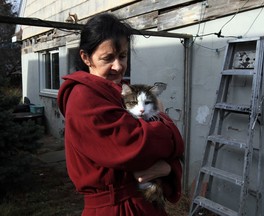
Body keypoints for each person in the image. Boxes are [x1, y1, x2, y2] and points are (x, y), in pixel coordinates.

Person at [57, 13, 184, 216]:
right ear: (86, 57)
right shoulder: (84, 97)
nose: (118, 66)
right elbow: (139, 146)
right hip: (117, 208)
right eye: (108, 58)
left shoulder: (113, 91)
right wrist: (164, 119)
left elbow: (158, 150)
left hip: (140, 201)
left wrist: (167, 167)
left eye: (123, 56)